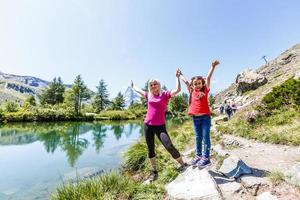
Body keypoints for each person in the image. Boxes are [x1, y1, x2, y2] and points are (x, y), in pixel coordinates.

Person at [131, 69, 187, 182]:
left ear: (158, 85)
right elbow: (139, 90)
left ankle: (182, 164)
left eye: (155, 84)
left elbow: (178, 90)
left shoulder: (165, 95)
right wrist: (133, 86)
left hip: (160, 126)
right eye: (151, 85)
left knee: (169, 145)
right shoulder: (148, 95)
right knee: (150, 149)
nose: (153, 86)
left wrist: (177, 77)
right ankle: (154, 171)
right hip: (147, 125)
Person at [179, 60, 220, 167]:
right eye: (195, 84)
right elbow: (186, 82)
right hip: (195, 119)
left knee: (206, 137)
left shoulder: (205, 90)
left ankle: (206, 157)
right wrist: (180, 75)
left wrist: (212, 67)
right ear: (193, 85)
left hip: (205, 118)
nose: (197, 85)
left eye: (199, 83)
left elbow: (209, 78)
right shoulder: (192, 91)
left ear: (202, 84)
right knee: (198, 137)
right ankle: (198, 156)